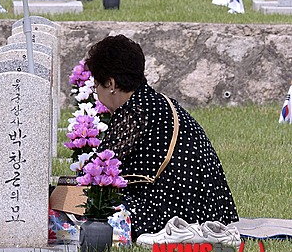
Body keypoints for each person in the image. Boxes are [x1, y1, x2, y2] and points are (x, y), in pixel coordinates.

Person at [85, 35, 239, 241]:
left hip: (171, 210)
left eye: (97, 85)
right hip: (210, 209)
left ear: (111, 83)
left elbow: (98, 172)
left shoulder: (134, 112)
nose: (96, 92)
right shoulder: (159, 102)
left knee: (91, 212)